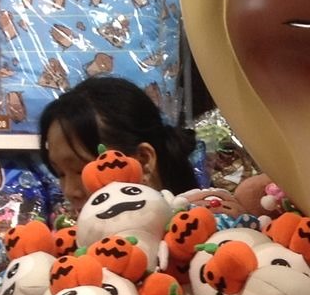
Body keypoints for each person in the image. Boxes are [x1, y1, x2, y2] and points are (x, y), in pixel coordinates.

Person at [38, 78, 198, 205]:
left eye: (81, 171)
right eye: (60, 174)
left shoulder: (200, 227)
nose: (69, 191)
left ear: (143, 161)